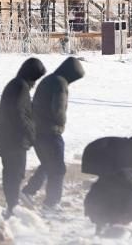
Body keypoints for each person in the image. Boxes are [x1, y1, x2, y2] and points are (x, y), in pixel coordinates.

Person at [24, 57, 85, 209]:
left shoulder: (50, 79)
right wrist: (61, 123)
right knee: (58, 168)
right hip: (50, 131)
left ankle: (28, 192)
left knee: (48, 164)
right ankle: (51, 203)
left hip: (38, 129)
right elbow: (58, 109)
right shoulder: (60, 83)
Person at [0, 57, 47, 218]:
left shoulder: (17, 85)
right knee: (14, 174)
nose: (36, 83)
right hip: (14, 140)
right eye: (36, 78)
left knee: (14, 173)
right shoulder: (19, 87)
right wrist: (31, 133)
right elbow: (19, 114)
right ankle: (12, 207)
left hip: (10, 138)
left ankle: (12, 206)